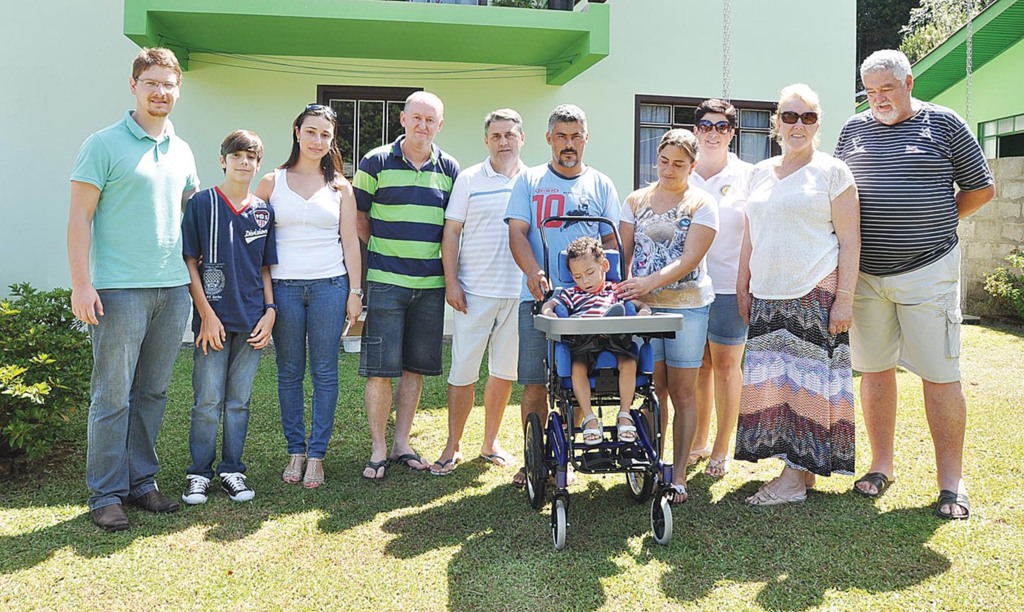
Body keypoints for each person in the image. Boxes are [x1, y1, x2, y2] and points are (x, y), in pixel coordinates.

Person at [836, 50, 994, 520]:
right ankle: (881, 465)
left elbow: (981, 189)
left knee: (940, 374)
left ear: (908, 81)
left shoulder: (945, 123)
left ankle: (951, 482)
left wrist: (939, 220)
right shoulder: (853, 128)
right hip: (866, 274)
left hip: (929, 270)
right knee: (874, 370)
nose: (878, 99)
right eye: (870, 91)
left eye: (887, 89)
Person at [68, 48, 199, 531]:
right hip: (118, 291)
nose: (161, 91)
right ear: (133, 85)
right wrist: (82, 284)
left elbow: (192, 217)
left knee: (153, 392)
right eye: (152, 82)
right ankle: (105, 493)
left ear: (177, 90)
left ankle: (142, 482)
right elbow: (79, 218)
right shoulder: (102, 144)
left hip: (173, 289)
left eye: (169, 84)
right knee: (112, 396)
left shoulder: (182, 150)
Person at [734, 83, 860, 506]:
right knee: (779, 385)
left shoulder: (833, 171)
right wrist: (742, 285)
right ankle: (800, 469)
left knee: (805, 386)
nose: (797, 124)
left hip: (814, 290)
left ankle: (792, 479)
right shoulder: (759, 172)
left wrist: (845, 299)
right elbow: (749, 236)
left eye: (807, 117)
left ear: (818, 124)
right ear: (777, 123)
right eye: (789, 116)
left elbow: (850, 241)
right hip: (767, 293)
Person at [506, 103, 621, 487]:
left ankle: (568, 456)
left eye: (575, 137)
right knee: (536, 381)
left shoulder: (601, 184)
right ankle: (533, 458)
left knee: (578, 377)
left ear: (585, 138)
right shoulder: (530, 181)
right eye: (561, 137)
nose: (568, 144)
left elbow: (612, 243)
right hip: (544, 299)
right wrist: (533, 272)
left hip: (592, 303)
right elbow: (517, 232)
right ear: (549, 139)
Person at [354, 91, 460, 480]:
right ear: (402, 119)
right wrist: (384, 256)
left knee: (414, 369)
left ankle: (402, 443)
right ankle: (378, 448)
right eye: (416, 118)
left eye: (430, 120)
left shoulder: (450, 169)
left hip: (430, 286)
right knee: (380, 371)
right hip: (386, 283)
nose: (423, 126)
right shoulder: (375, 161)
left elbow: (452, 227)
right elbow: (359, 217)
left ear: (440, 125)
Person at [255, 105, 362, 489]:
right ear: (297, 131)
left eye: (326, 135)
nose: (318, 141)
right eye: (311, 132)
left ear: (332, 141)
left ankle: (317, 455)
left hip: (329, 288)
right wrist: (263, 298)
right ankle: (295, 450)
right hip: (283, 289)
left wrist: (355, 291)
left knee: (325, 372)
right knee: (288, 372)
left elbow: (350, 242)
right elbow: (258, 246)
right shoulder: (271, 182)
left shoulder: (340, 187)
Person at [617, 129, 718, 504]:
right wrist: (628, 291)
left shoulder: (702, 204)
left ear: (692, 165)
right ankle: (650, 460)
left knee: (683, 392)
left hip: (687, 309)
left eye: (679, 163)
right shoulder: (635, 200)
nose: (670, 169)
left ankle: (677, 474)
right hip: (643, 311)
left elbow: (689, 259)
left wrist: (647, 282)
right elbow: (622, 253)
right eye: (664, 161)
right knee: (652, 389)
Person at [180, 130, 277, 505]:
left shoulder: (263, 211)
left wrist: (270, 312)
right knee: (207, 400)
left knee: (239, 401)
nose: (244, 163)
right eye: (237, 156)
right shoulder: (203, 204)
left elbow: (266, 267)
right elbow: (190, 261)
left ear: (257, 164)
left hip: (252, 320)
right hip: (213, 322)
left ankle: (232, 470)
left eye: (251, 157)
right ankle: (198, 474)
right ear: (223, 160)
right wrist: (205, 314)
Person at [431, 109, 526, 476]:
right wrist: (451, 281)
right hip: (474, 293)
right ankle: (452, 445)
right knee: (463, 373)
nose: (504, 142)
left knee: (504, 373)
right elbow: (451, 232)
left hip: (519, 294)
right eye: (497, 135)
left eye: (510, 135)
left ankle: (490, 443)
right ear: (486, 140)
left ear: (522, 139)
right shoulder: (469, 178)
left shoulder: (533, 180)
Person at [688, 99, 753, 478]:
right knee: (698, 367)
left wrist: (748, 284)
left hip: (731, 285)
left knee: (727, 367)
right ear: (696, 130)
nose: (713, 133)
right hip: (690, 289)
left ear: (732, 132)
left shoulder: (749, 174)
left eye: (722, 126)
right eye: (706, 125)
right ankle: (698, 440)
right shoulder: (683, 171)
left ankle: (721, 448)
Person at [540, 237, 651, 445]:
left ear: (605, 266)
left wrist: (644, 312)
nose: (585, 281)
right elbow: (550, 305)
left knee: (629, 363)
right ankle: (589, 419)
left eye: (590, 273)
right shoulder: (571, 293)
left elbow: (641, 305)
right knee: (577, 368)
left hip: (615, 341)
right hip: (585, 343)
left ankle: (624, 414)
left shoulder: (616, 291)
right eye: (578, 277)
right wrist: (549, 314)